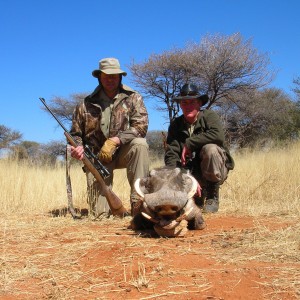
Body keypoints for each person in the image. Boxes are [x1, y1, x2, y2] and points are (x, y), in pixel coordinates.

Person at [70, 57, 149, 218]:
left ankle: (138, 203)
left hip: (122, 152)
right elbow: (75, 134)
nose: (110, 79)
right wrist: (77, 148)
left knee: (140, 144)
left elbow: (141, 127)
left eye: (114, 75)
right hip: (97, 158)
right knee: (99, 215)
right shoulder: (85, 104)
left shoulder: (133, 97)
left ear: (120, 76)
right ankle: (108, 208)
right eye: (106, 75)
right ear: (99, 77)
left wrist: (116, 140)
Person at [164, 83, 234, 213]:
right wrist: (184, 178)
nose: (188, 106)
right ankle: (196, 194)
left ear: (199, 103)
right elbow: (171, 155)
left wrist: (189, 143)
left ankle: (212, 196)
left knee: (211, 149)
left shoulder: (209, 116)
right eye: (184, 103)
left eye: (192, 102)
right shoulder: (175, 125)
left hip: (215, 169)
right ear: (180, 105)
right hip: (189, 174)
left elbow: (218, 136)